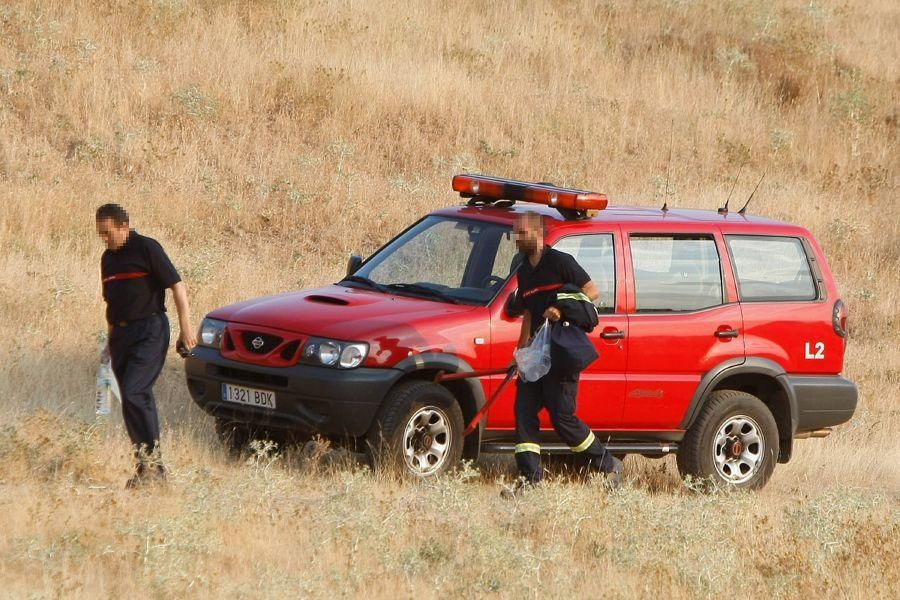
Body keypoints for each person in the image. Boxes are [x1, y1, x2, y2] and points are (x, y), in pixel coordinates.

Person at [507, 211, 622, 494]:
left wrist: (561, 309)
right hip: (537, 356)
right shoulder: (523, 270)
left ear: (537, 233)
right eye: (515, 232)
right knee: (524, 414)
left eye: (521, 233)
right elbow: (528, 313)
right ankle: (530, 481)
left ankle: (607, 465)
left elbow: (592, 292)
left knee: (563, 419)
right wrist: (521, 351)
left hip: (561, 353)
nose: (516, 238)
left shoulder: (561, 262)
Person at [95, 203, 196, 488]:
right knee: (130, 399)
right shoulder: (107, 260)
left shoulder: (146, 248)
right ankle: (146, 468)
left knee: (135, 390)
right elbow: (112, 304)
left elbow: (177, 285)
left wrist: (186, 327)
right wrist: (108, 345)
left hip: (150, 330)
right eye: (100, 234)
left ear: (124, 226)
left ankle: (155, 468)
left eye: (108, 232)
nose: (105, 238)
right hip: (121, 336)